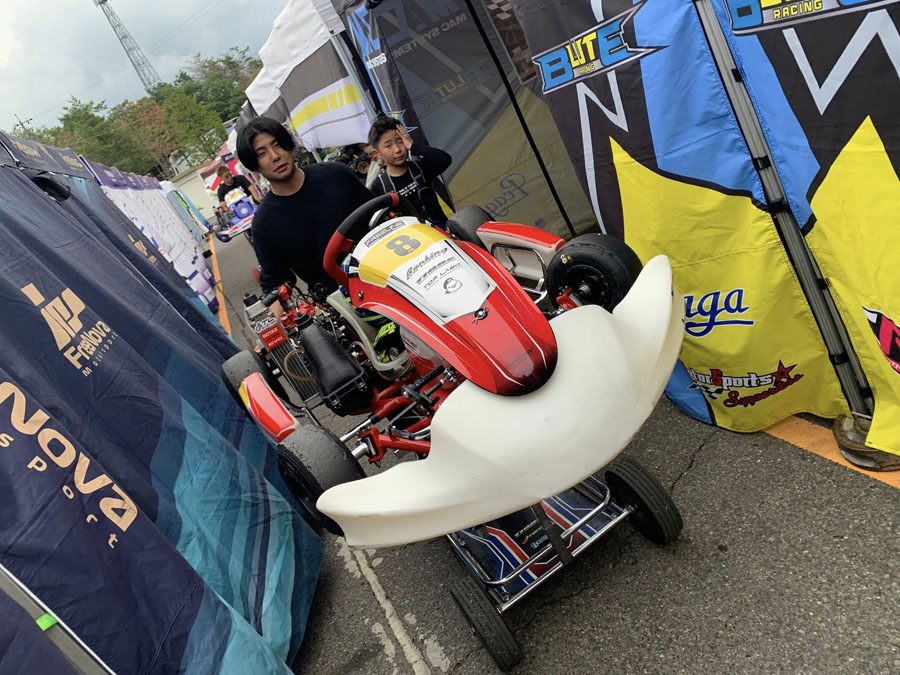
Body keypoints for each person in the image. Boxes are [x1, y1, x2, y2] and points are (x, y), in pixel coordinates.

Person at [235, 117, 375, 313]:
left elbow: (380, 216)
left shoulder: (336, 174)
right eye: (262, 153)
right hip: (341, 305)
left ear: (289, 145)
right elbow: (276, 285)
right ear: (254, 165)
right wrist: (271, 326)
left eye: (277, 145)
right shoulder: (264, 224)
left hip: (387, 271)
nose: (275, 156)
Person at [368, 116, 452, 227]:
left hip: (441, 229)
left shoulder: (420, 167)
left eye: (400, 141)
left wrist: (413, 147)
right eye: (388, 145)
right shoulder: (378, 187)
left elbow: (444, 159)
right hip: (412, 236)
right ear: (377, 153)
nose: (397, 149)